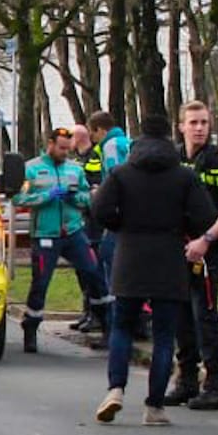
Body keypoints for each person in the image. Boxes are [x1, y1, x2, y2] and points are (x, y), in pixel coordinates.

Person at [90, 114, 216, 426]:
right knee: (163, 335)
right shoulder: (183, 176)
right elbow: (205, 216)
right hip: (169, 256)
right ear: (171, 134)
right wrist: (182, 228)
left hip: (130, 253)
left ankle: (116, 388)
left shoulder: (121, 173)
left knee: (122, 326)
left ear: (139, 137)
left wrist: (121, 225)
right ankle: (154, 405)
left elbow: (100, 209)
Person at [171, 101, 218, 411]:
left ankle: (215, 384)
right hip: (178, 249)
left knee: (205, 316)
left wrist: (207, 239)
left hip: (206, 251)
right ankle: (186, 381)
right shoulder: (174, 159)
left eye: (204, 122)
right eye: (193, 122)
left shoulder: (217, 160)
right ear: (181, 126)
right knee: (181, 317)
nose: (199, 128)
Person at [12, 126, 112, 354]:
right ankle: (31, 328)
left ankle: (107, 325)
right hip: (46, 235)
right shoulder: (32, 169)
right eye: (61, 148)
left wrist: (77, 197)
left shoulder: (75, 169)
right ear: (50, 144)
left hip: (74, 232)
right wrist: (49, 195)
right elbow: (19, 197)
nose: (65, 152)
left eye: (68, 149)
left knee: (94, 273)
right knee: (41, 283)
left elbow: (87, 197)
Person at [86, 110, 130, 305]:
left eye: (92, 134)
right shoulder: (125, 141)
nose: (92, 139)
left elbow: (115, 174)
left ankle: (117, 303)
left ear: (101, 130)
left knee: (107, 254)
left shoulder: (110, 146)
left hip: (120, 210)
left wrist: (102, 193)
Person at [70, 122, 107, 337]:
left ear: (79, 138)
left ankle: (95, 314)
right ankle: (87, 312)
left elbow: (93, 186)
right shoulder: (77, 159)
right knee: (82, 269)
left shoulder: (92, 158)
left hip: (92, 221)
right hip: (80, 220)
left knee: (91, 268)